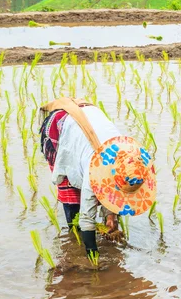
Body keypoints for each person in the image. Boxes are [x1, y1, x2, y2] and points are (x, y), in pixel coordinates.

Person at [39, 98, 156, 255]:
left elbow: (116, 192)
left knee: (111, 192)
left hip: (92, 119)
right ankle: (74, 240)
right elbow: (87, 219)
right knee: (72, 195)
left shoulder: (131, 161)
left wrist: (110, 217)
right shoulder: (92, 172)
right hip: (64, 123)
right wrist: (92, 254)